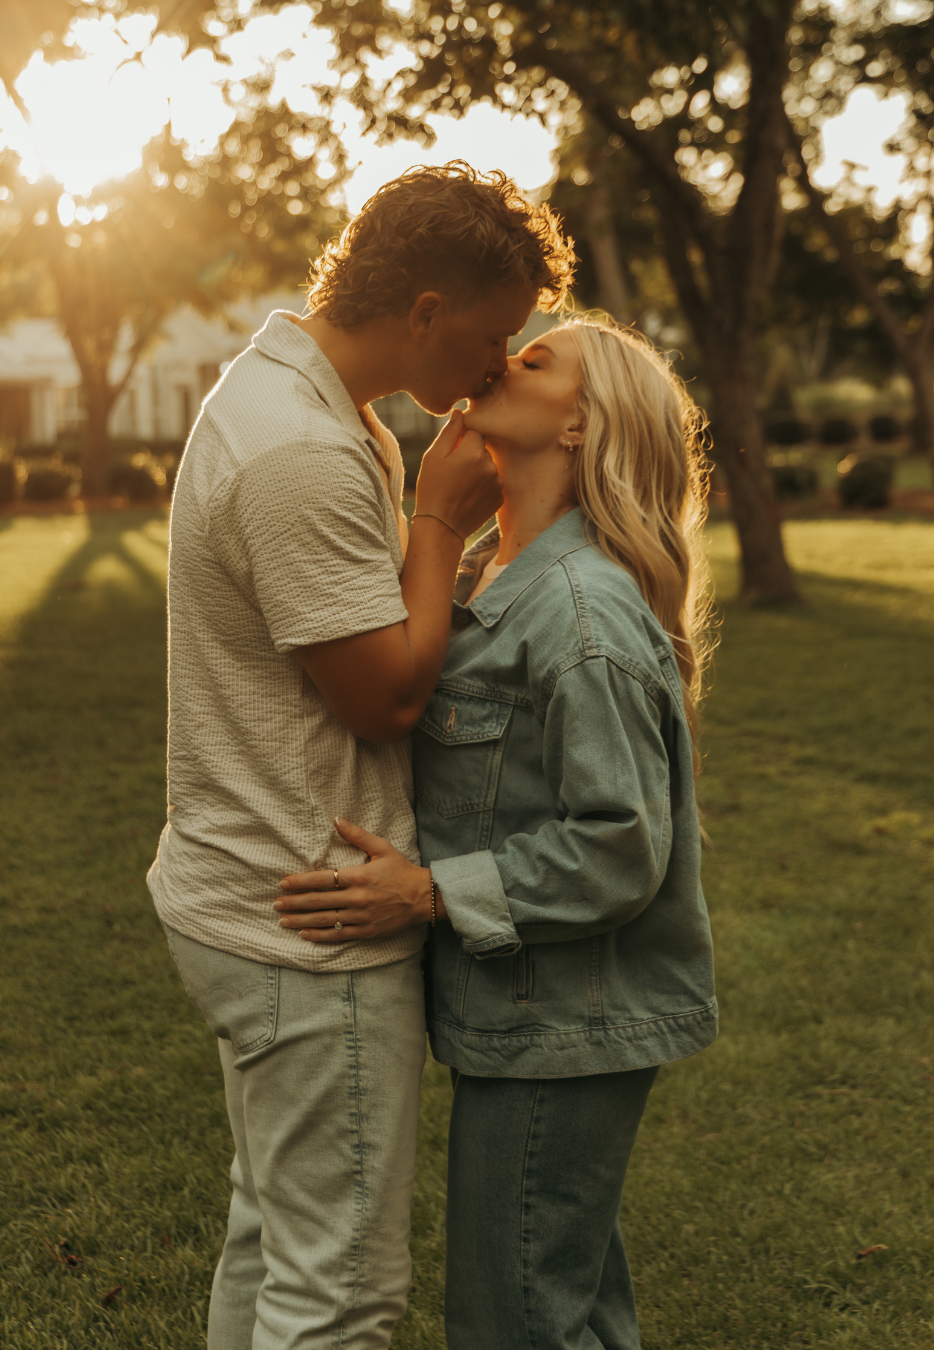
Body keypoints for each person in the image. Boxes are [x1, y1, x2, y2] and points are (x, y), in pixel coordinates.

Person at [147, 161, 575, 1350]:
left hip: (257, 886)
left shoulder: (307, 400)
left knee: (275, 1243)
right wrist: (439, 517)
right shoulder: (299, 449)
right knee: (336, 1296)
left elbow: (374, 623)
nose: (498, 365)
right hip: (309, 915)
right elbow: (385, 695)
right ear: (427, 309)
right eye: (494, 336)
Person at [276, 315, 718, 1350]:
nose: (497, 363)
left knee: (513, 1319)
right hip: (533, 1018)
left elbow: (619, 844)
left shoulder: (579, 611)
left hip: (566, 1029)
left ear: (580, 427)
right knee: (560, 1303)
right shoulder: (485, 578)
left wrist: (428, 892)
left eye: (534, 361)